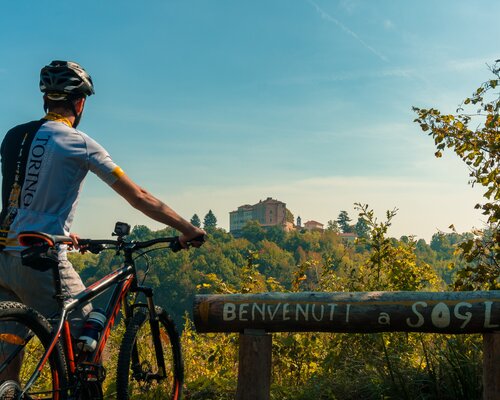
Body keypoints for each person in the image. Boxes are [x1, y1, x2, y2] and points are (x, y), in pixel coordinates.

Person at [0, 60, 205, 381]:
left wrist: (62, 233)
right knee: (88, 345)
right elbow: (139, 196)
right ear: (80, 102)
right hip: (37, 262)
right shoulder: (78, 142)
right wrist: (187, 229)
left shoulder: (13, 136)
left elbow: (21, 194)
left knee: (9, 344)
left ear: (45, 99)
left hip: (3, 257)